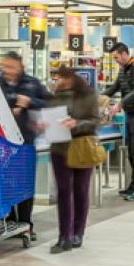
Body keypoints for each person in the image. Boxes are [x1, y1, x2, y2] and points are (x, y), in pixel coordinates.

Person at [44, 67, 101, 254]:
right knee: (63, 192)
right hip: (60, 148)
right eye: (58, 78)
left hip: (82, 146)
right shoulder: (55, 96)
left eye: (63, 78)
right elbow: (49, 117)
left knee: (81, 190)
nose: (60, 81)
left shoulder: (89, 96)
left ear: (73, 78)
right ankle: (64, 237)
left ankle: (78, 232)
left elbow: (95, 121)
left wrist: (76, 123)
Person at [0, 52, 50, 238]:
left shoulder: (32, 83)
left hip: (26, 143)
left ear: (20, 67)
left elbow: (50, 101)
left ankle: (26, 224)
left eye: (10, 67)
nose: (6, 71)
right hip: (3, 143)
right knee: (6, 183)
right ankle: (10, 221)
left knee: (25, 184)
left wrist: (30, 102)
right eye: (4, 66)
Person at [104, 43, 134, 201]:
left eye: (117, 57)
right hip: (131, 114)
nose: (116, 61)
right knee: (131, 152)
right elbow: (114, 88)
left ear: (125, 53)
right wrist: (98, 98)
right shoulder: (124, 69)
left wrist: (120, 104)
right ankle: (133, 186)